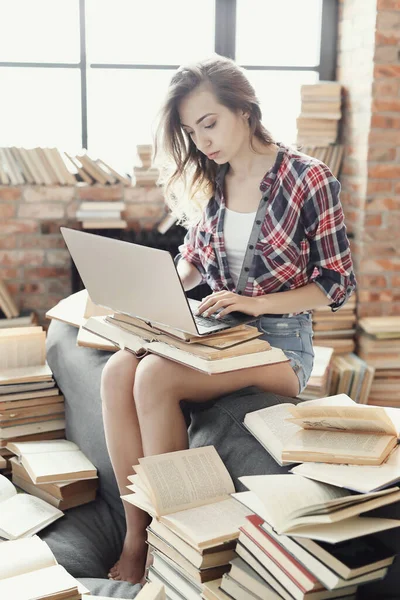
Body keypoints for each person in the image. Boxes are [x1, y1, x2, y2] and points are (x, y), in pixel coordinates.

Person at [102, 54, 356, 584]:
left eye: (209, 123)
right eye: (193, 132)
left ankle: (166, 545)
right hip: (220, 334)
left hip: (281, 348)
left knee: (153, 374)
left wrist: (258, 304)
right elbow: (195, 261)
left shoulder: (309, 180)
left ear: (245, 109)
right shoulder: (213, 182)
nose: (203, 141)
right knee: (116, 370)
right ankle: (135, 534)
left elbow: (337, 284)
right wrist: (171, 280)